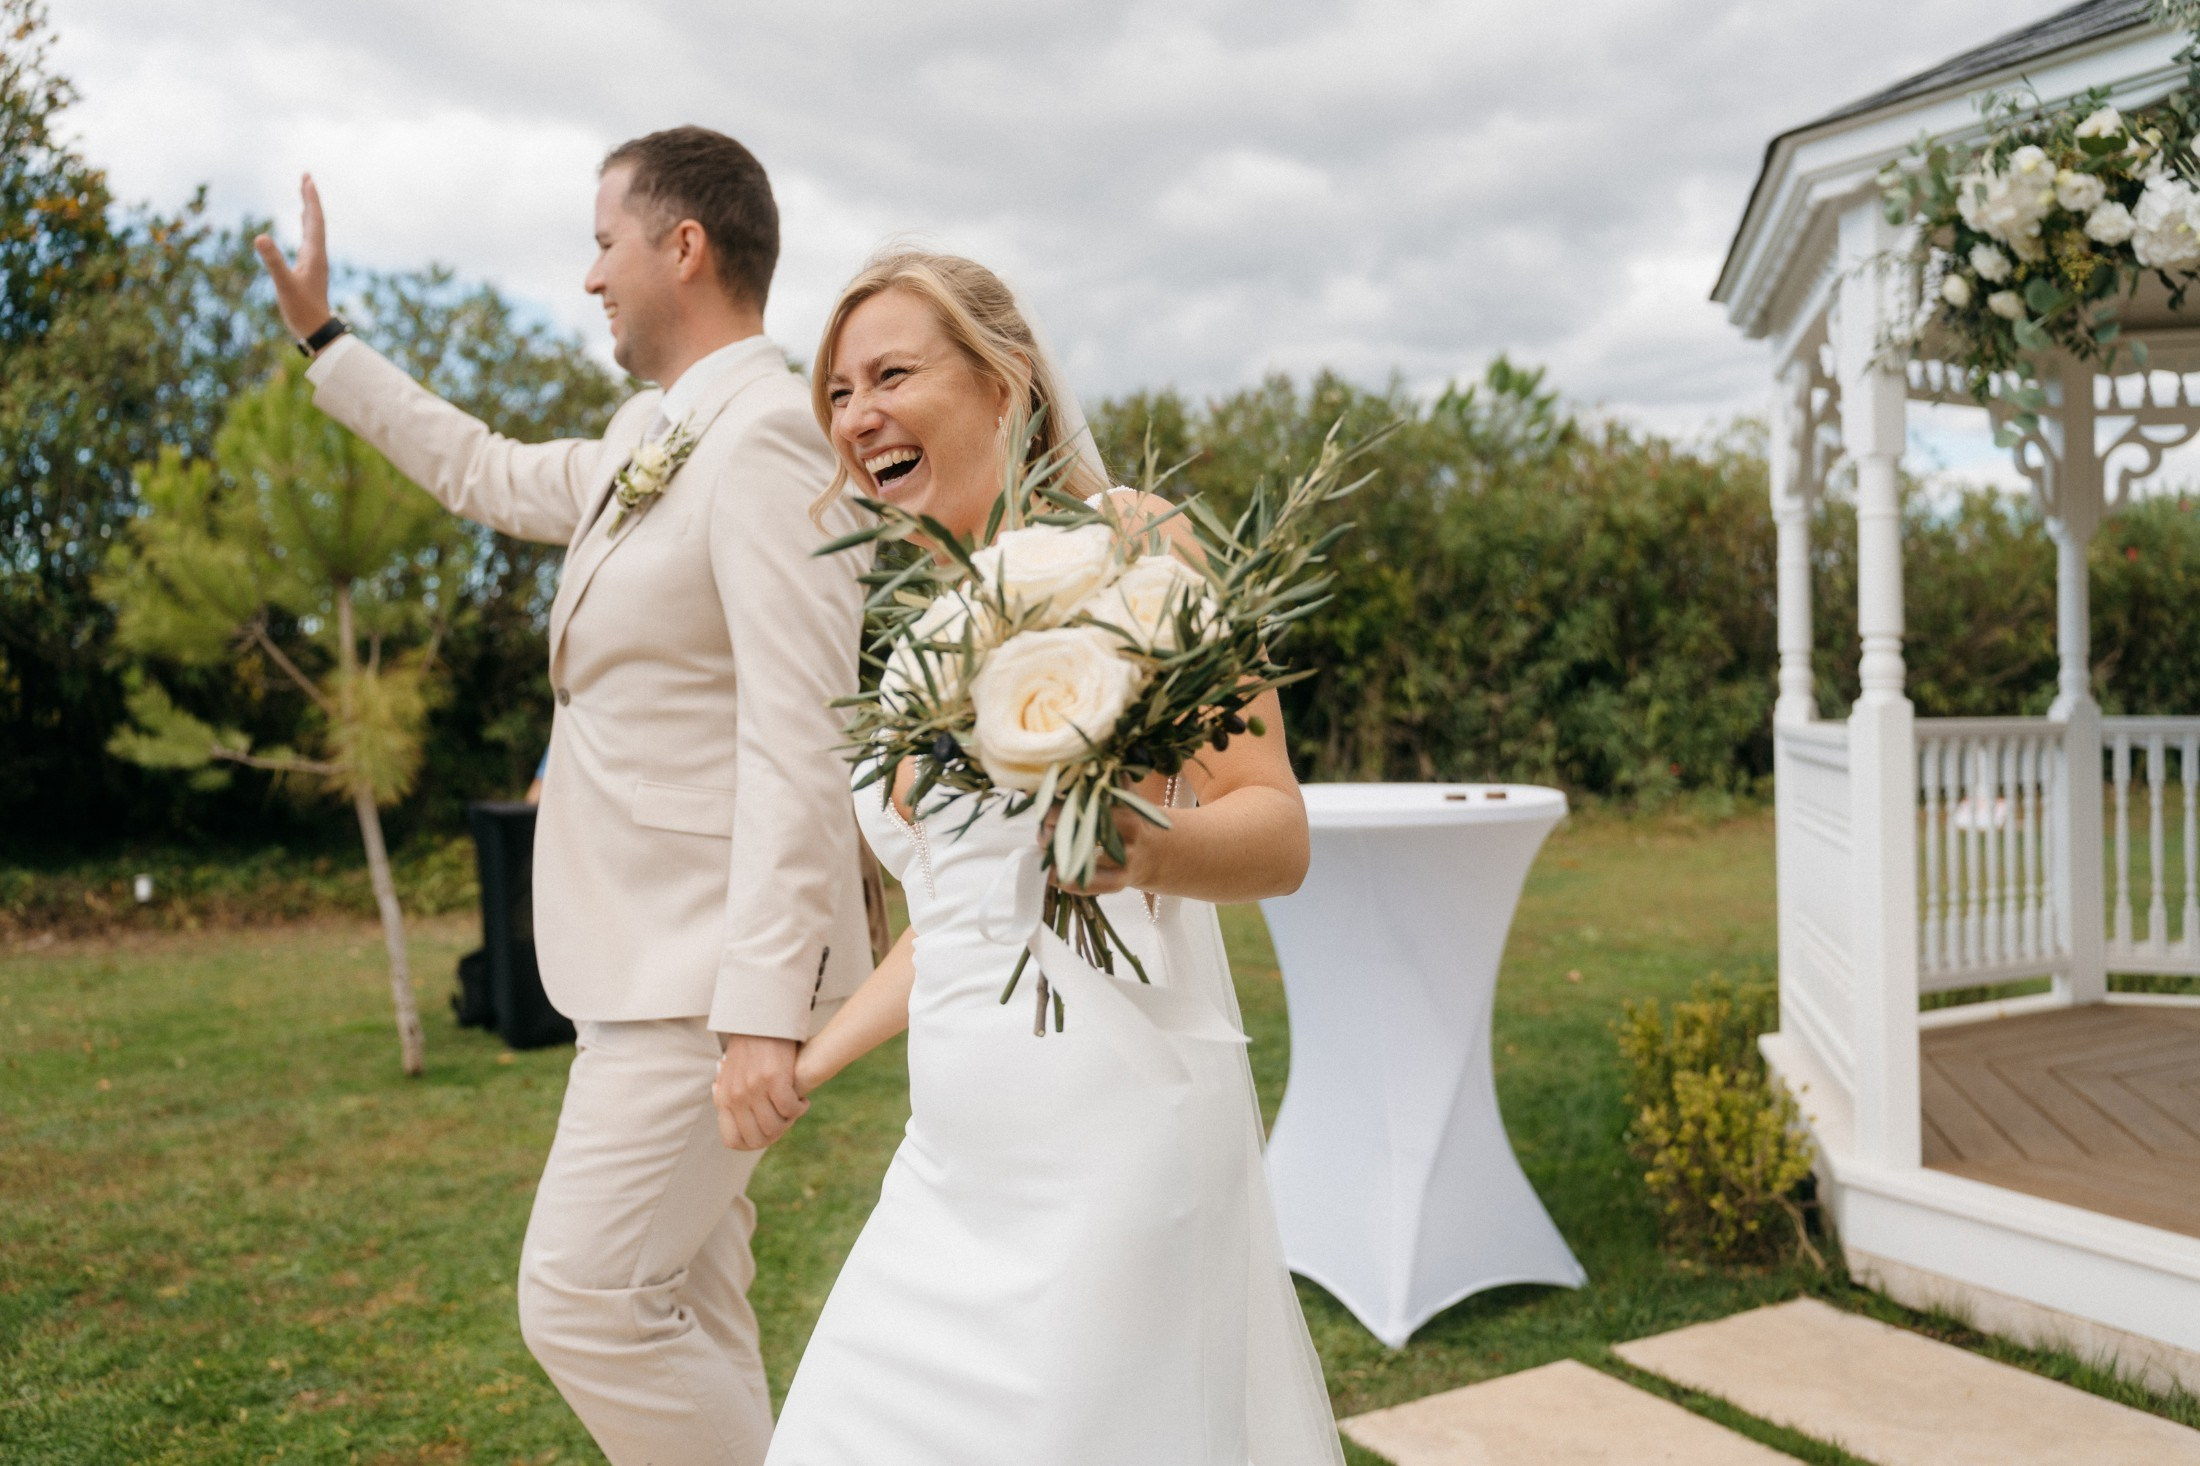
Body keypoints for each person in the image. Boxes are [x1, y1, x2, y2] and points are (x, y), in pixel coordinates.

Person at [254, 129, 872, 1466]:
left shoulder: (770, 442)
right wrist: (329, 343)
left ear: (684, 247)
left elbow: (801, 738)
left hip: (707, 982)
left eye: (605, 239)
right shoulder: (648, 438)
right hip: (633, 965)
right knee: (688, 1307)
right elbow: (482, 469)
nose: (590, 274)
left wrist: (764, 1010)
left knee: (585, 1299)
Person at [744, 250, 1344, 1465]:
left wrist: (1139, 841)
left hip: (1108, 1143)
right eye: (839, 391)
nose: (857, 414)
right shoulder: (917, 639)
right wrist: (805, 1061)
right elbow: (955, 920)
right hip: (953, 1155)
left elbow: (1276, 830)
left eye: (891, 373)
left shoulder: (1131, 541)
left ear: (1004, 379)